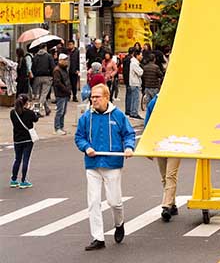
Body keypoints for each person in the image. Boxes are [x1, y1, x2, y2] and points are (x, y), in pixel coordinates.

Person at [74, 84, 135, 251]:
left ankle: (119, 223)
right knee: (93, 201)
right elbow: (79, 136)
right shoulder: (86, 117)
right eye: (92, 97)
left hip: (112, 163)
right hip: (93, 165)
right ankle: (98, 238)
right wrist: (86, 147)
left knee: (114, 202)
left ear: (107, 97)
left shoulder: (118, 115)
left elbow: (129, 134)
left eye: (97, 97)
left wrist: (129, 147)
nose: (93, 100)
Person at [145, 94, 182, 222]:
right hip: (160, 143)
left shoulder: (179, 102)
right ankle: (172, 203)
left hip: (176, 143)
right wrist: (148, 146)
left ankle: (166, 206)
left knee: (170, 175)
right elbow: (148, 125)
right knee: (164, 175)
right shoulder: (154, 103)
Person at [10, 94, 39, 189]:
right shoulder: (29, 113)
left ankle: (14, 179)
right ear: (26, 103)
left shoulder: (13, 112)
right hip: (28, 139)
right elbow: (36, 119)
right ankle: (23, 180)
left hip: (17, 139)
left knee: (17, 159)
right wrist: (34, 111)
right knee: (26, 159)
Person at [31, 43, 55, 116]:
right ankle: (37, 111)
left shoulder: (35, 56)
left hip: (37, 77)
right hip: (47, 77)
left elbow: (33, 67)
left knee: (39, 95)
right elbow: (52, 67)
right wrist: (52, 76)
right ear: (45, 48)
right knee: (43, 95)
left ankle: (47, 109)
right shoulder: (49, 56)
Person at [52, 54, 72, 136]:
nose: (66, 61)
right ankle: (57, 128)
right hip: (60, 94)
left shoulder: (64, 69)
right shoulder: (57, 70)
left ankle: (61, 126)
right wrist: (66, 89)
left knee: (63, 111)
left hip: (65, 93)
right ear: (60, 60)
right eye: (64, 60)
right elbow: (57, 83)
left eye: (66, 60)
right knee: (60, 111)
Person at [128, 50, 144, 120]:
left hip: (134, 82)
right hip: (135, 83)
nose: (142, 56)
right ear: (137, 55)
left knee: (134, 98)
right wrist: (142, 70)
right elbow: (140, 72)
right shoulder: (134, 63)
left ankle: (132, 112)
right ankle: (134, 112)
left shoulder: (134, 62)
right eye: (141, 55)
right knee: (135, 99)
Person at [122, 47, 134, 116]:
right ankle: (129, 110)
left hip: (126, 79)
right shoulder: (130, 60)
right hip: (130, 79)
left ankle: (127, 109)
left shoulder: (125, 59)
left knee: (128, 94)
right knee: (130, 95)